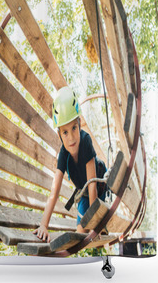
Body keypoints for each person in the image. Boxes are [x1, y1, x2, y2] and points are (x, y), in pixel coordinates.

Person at [33, 86, 107, 243]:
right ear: (59, 134)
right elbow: (54, 192)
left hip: (99, 185)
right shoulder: (63, 155)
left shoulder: (85, 141)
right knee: (80, 232)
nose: (71, 138)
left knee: (95, 227)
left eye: (74, 128)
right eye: (65, 132)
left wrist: (95, 225)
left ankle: (103, 222)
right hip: (84, 192)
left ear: (79, 124)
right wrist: (43, 225)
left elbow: (92, 185)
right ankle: (94, 224)